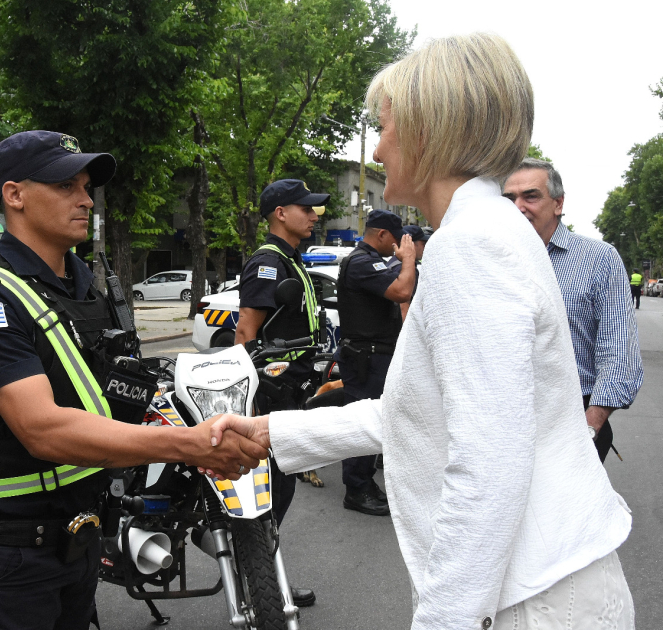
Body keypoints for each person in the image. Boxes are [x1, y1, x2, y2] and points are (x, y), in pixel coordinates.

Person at [209, 33, 634, 630]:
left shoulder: (471, 244)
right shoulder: (489, 229)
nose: (378, 149)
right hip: (538, 584)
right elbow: (408, 414)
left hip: (530, 595)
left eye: (385, 128)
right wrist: (268, 432)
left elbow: (487, 465)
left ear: (427, 131)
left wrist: (442, 619)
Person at [0, 130, 267, 630]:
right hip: (13, 554)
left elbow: (112, 387)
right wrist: (188, 445)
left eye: (87, 186)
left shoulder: (86, 288)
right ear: (15, 195)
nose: (85, 199)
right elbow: (43, 428)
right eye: (66, 185)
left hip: (82, 537)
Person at [503, 158, 643, 463]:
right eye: (509, 198)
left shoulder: (598, 259)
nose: (518, 206)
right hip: (502, 424)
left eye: (530, 196)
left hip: (573, 422)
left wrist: (589, 426)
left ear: (558, 204)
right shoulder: (490, 259)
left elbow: (619, 351)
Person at [233, 177, 329, 608]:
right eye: (305, 208)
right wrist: (249, 394)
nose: (313, 215)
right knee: (273, 489)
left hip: (293, 388)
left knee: (281, 487)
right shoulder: (268, 262)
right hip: (273, 392)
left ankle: (263, 577)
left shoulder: (291, 259)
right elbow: (245, 332)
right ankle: (260, 581)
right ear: (280, 214)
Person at [334, 209, 415, 516]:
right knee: (361, 423)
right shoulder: (362, 262)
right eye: (395, 242)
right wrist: (407, 259)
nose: (397, 249)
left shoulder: (372, 260)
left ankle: (363, 482)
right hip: (366, 357)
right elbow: (402, 290)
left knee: (373, 420)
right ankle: (356, 488)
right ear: (381, 234)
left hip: (375, 355)